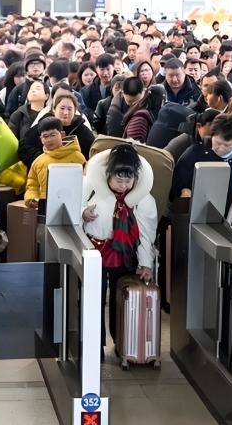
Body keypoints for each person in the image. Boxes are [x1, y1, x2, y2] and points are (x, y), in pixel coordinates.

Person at [81, 144, 157, 349]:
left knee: (122, 299)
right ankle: (94, 347)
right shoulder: (90, 186)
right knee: (93, 299)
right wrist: (83, 213)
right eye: (118, 180)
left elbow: (146, 234)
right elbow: (72, 206)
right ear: (108, 174)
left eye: (128, 181)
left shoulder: (143, 199)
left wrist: (146, 263)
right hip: (94, 250)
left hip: (124, 253)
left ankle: (122, 344)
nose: (123, 186)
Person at [171, 113, 232, 235]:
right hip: (191, 222)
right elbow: (177, 182)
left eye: (227, 145)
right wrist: (184, 190)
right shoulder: (194, 153)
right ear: (212, 135)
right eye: (217, 143)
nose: (221, 148)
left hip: (227, 224)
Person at [24, 117, 86, 209]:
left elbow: (86, 183)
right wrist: (32, 198)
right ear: (41, 139)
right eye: (45, 136)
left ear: (62, 135)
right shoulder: (38, 162)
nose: (49, 139)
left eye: (53, 135)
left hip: (73, 206)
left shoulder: (77, 157)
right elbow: (32, 184)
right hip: (45, 208)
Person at [19, 93, 94, 167]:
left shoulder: (83, 131)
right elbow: (24, 146)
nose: (66, 113)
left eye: (70, 109)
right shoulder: (43, 125)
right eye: (62, 108)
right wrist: (43, 159)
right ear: (54, 109)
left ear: (74, 111)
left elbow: (92, 155)